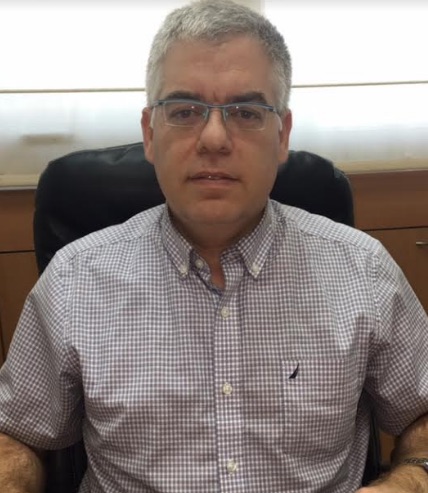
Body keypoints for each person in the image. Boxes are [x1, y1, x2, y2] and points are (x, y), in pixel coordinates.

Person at [0, 1, 427, 492]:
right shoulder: (74, 280)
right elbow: (17, 433)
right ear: (149, 134)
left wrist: (409, 481)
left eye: (246, 112)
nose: (215, 138)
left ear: (282, 135)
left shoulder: (362, 271)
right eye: (185, 111)